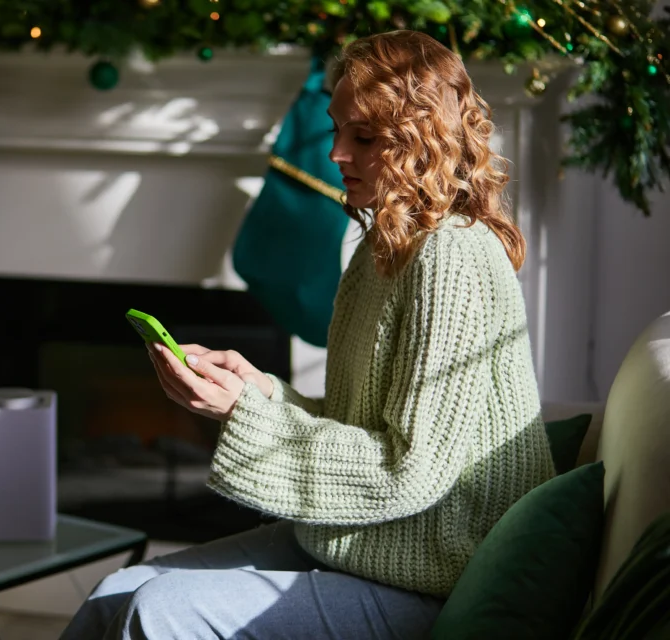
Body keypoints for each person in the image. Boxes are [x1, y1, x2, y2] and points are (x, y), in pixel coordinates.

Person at [59, 29, 555, 640]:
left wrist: (246, 414)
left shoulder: (452, 256)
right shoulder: (382, 249)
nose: (336, 154)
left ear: (418, 140)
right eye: (338, 130)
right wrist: (256, 390)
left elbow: (412, 471)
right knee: (116, 592)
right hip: (368, 544)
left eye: (363, 138)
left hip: (435, 575)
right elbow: (358, 425)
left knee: (158, 611)